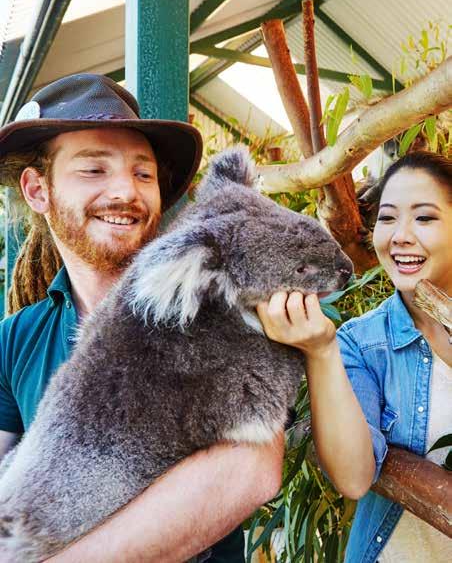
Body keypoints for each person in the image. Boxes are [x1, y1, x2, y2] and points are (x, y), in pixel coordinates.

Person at [0, 73, 285, 563]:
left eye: (143, 173)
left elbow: (250, 472)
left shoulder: (213, 303)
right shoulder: (15, 340)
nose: (125, 192)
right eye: (93, 170)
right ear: (37, 190)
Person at [257, 151, 452, 562]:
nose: (399, 235)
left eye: (424, 217)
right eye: (387, 217)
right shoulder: (362, 342)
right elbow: (353, 477)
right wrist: (321, 351)